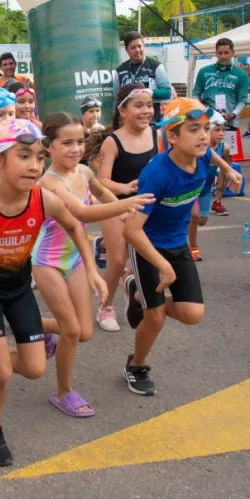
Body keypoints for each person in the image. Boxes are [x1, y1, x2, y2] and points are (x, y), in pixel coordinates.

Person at [0, 118, 101, 466]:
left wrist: (92, 268)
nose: (34, 165)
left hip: (19, 288)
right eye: (23, 156)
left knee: (35, 369)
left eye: (38, 157)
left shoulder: (44, 200)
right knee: (2, 372)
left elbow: (76, 227)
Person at [34, 113, 153, 417]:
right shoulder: (48, 183)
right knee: (72, 330)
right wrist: (127, 205)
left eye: (79, 141)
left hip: (74, 259)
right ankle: (63, 392)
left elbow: (102, 194)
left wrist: (120, 208)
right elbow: (81, 214)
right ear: (49, 146)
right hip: (47, 262)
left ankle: (36, 329)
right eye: (66, 143)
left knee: (84, 332)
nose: (75, 148)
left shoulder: (85, 172)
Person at [121, 99, 242, 395]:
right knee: (156, 317)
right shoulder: (158, 174)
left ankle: (139, 294)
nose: (203, 135)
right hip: (149, 247)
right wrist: (161, 265)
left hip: (178, 244)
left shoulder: (201, 155)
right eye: (193, 130)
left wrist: (230, 170)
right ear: (172, 137)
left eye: (205, 128)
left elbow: (213, 154)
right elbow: (131, 230)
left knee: (192, 314)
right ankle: (135, 365)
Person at [93, 83, 160, 332]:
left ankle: (129, 282)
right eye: (138, 106)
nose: (146, 111)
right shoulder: (112, 141)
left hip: (145, 206)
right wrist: (125, 189)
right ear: (123, 111)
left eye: (149, 105)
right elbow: (101, 182)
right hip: (115, 204)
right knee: (118, 259)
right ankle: (105, 307)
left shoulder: (156, 135)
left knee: (148, 256)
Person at [187, 112, 232, 262]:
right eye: (217, 130)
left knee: (202, 220)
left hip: (206, 190)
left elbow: (226, 169)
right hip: (191, 189)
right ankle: (192, 246)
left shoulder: (224, 148)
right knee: (194, 216)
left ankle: (185, 227)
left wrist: (220, 191)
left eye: (223, 130)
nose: (221, 134)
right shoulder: (198, 147)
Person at [191, 37, 250, 128]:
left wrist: (234, 113)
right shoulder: (204, 71)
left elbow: (242, 100)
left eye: (226, 53)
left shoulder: (241, 75)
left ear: (233, 53)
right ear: (216, 53)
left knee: (227, 143)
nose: (223, 56)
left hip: (229, 122)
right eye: (220, 53)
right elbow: (196, 94)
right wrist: (201, 109)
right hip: (207, 120)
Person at [115, 31, 173, 122]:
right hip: (128, 121)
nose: (137, 50)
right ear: (126, 50)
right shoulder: (119, 71)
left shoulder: (156, 66)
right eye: (133, 47)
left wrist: (150, 92)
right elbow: (116, 98)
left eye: (139, 46)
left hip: (151, 120)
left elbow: (167, 92)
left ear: (143, 46)